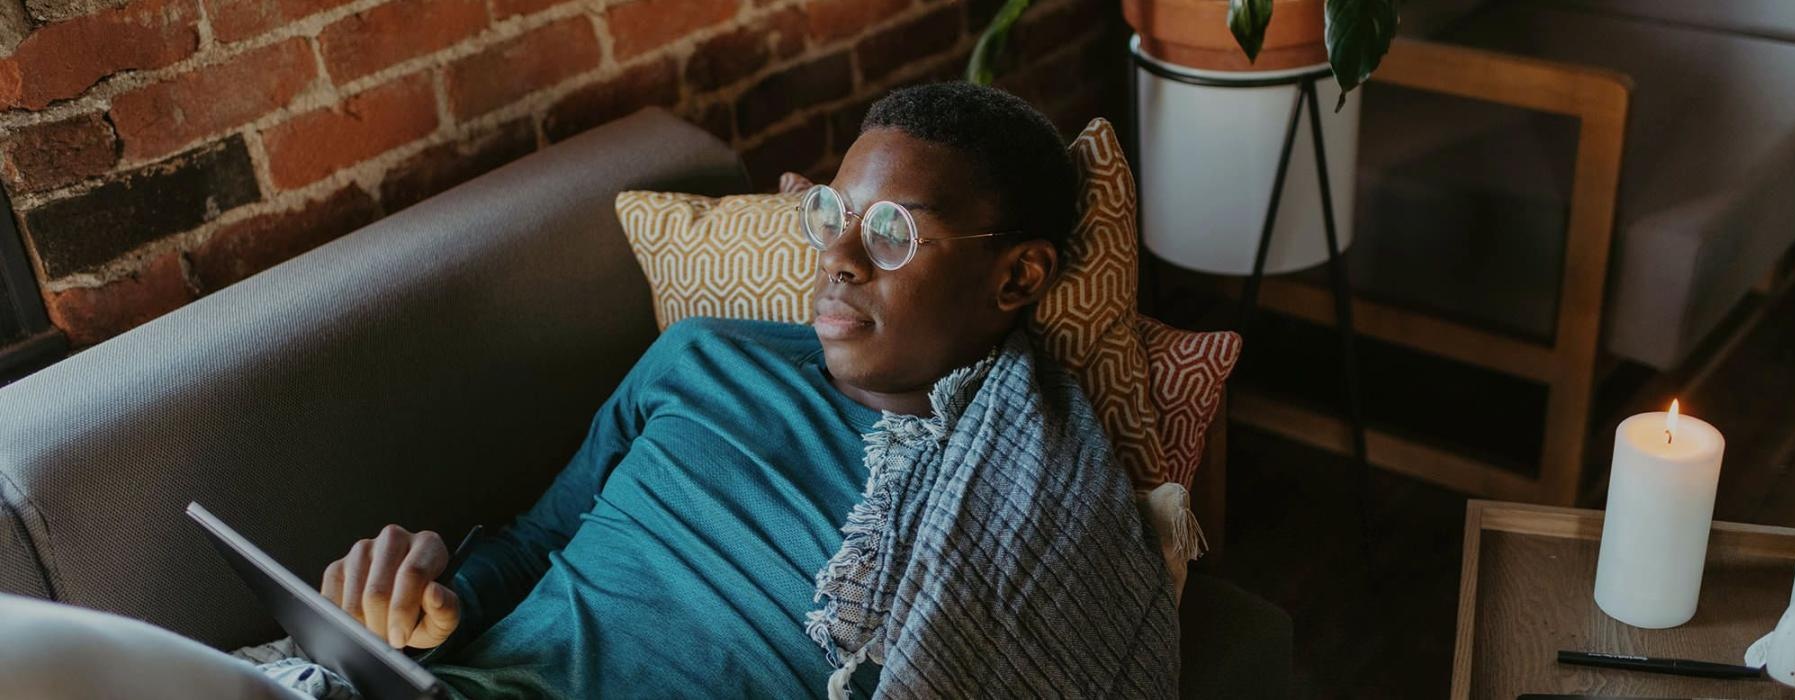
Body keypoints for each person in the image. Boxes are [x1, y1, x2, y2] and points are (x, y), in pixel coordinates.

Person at [0, 82, 1176, 699]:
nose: (835, 256)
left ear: (1018, 275)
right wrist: (432, 593)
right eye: (830, 213)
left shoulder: (1010, 503)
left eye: (889, 231)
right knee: (28, 653)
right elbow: (538, 537)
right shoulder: (700, 355)